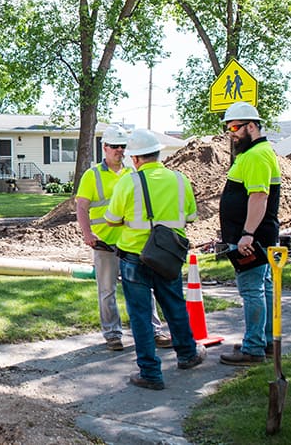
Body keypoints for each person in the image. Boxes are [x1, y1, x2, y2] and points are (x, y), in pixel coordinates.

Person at [105, 129, 205, 390]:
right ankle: (187, 354)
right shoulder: (180, 179)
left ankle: (150, 373)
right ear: (158, 154)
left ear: (135, 159)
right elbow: (191, 216)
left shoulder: (128, 182)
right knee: (175, 307)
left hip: (134, 258)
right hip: (168, 256)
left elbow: (112, 219)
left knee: (140, 316)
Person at [76, 125, 171, 351]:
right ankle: (112, 335)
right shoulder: (93, 175)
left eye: (123, 147)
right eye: (115, 146)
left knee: (143, 289)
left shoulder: (134, 173)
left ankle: (154, 331)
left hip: (132, 243)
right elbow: (81, 206)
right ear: (105, 147)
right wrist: (87, 233)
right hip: (105, 243)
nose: (119, 150)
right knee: (107, 290)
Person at [218, 102, 280, 366]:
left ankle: (253, 348)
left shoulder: (256, 155)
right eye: (228, 128)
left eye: (234, 127)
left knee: (252, 290)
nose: (231, 132)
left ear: (251, 126)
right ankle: (262, 342)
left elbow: (258, 196)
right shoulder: (254, 153)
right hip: (258, 236)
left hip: (251, 239)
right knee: (262, 288)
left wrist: (246, 234)